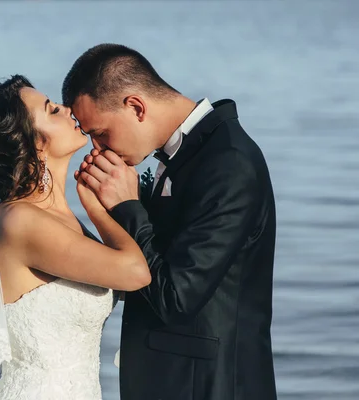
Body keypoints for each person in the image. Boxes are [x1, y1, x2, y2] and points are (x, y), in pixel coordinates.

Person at [0, 75, 151, 400]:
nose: (68, 110)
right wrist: (98, 210)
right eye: (52, 110)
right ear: (35, 141)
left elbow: (124, 282)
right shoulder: (20, 221)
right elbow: (135, 273)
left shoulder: (59, 219)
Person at [63, 43, 278, 400]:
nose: (98, 149)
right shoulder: (194, 154)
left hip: (210, 387)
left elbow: (177, 298)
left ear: (135, 106)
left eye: (99, 132)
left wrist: (129, 208)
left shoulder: (229, 164)